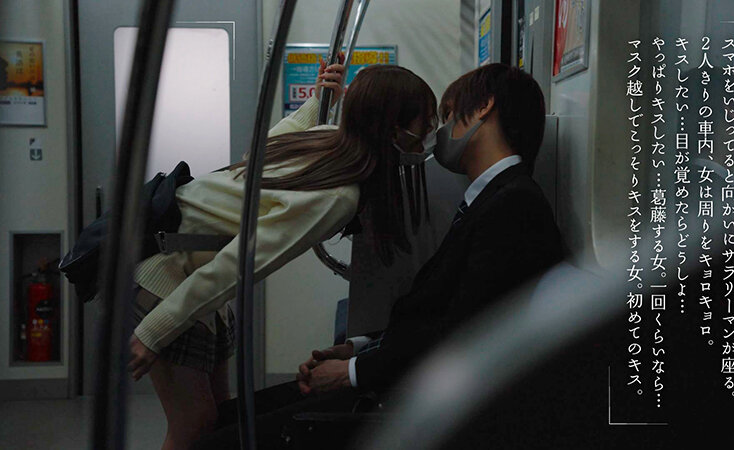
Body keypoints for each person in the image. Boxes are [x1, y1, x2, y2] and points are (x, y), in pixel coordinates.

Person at [193, 63, 563, 449]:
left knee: (216, 442)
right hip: (397, 374)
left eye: (449, 114)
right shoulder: (490, 198)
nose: (440, 133)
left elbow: (463, 332)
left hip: (414, 398)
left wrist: (352, 371)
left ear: (484, 106)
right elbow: (439, 314)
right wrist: (360, 347)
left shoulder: (513, 205)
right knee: (223, 419)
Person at [126, 60, 439, 449]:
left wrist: (319, 101)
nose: (430, 133)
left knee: (217, 421)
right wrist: (154, 331)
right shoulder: (338, 194)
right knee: (194, 423)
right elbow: (238, 264)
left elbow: (259, 153)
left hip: (192, 279)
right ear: (393, 129)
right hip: (169, 278)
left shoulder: (329, 140)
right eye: (425, 123)